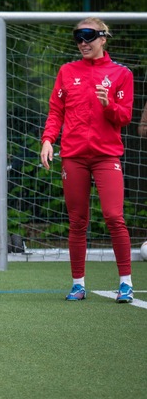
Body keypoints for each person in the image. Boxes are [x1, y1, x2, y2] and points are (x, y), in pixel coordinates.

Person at [40, 17, 135, 303]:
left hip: (107, 156)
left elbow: (125, 117)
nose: (83, 43)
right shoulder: (67, 71)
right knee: (77, 221)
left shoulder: (121, 74)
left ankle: (126, 283)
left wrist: (109, 105)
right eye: (78, 38)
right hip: (73, 156)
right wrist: (48, 140)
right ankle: (78, 284)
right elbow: (56, 111)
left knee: (114, 216)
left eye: (89, 36)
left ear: (103, 38)